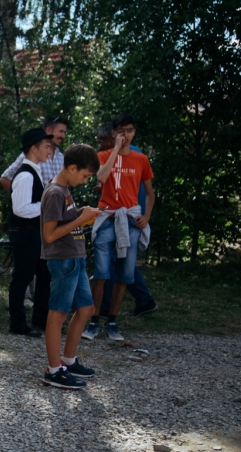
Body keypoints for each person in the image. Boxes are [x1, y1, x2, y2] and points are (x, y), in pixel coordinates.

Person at [86, 113, 156, 342]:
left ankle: (112, 321)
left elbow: (150, 192)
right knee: (101, 272)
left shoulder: (141, 159)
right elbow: (102, 177)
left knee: (125, 274)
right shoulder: (104, 154)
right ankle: (94, 320)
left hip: (130, 219)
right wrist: (115, 150)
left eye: (130, 131)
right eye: (121, 131)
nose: (126, 135)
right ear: (114, 133)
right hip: (107, 217)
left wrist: (146, 216)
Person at [40, 144, 103, 389]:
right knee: (59, 313)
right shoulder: (55, 192)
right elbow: (49, 235)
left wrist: (83, 215)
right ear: (72, 168)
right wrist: (81, 218)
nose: (86, 181)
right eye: (85, 176)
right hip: (62, 259)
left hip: (75, 258)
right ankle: (53, 370)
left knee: (86, 309)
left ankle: (68, 360)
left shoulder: (64, 190)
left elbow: (68, 221)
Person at [8, 127, 54, 336]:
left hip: (33, 231)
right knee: (23, 277)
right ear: (34, 148)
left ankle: (40, 318)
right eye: (46, 146)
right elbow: (21, 208)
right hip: (25, 231)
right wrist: (48, 209)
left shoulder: (34, 171)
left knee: (44, 274)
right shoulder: (26, 175)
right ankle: (17, 324)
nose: (50, 151)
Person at [0, 115, 69, 193]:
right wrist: (18, 198)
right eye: (61, 131)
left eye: (65, 132)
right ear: (49, 130)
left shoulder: (61, 158)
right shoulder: (32, 154)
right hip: (35, 205)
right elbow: (5, 178)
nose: (63, 136)